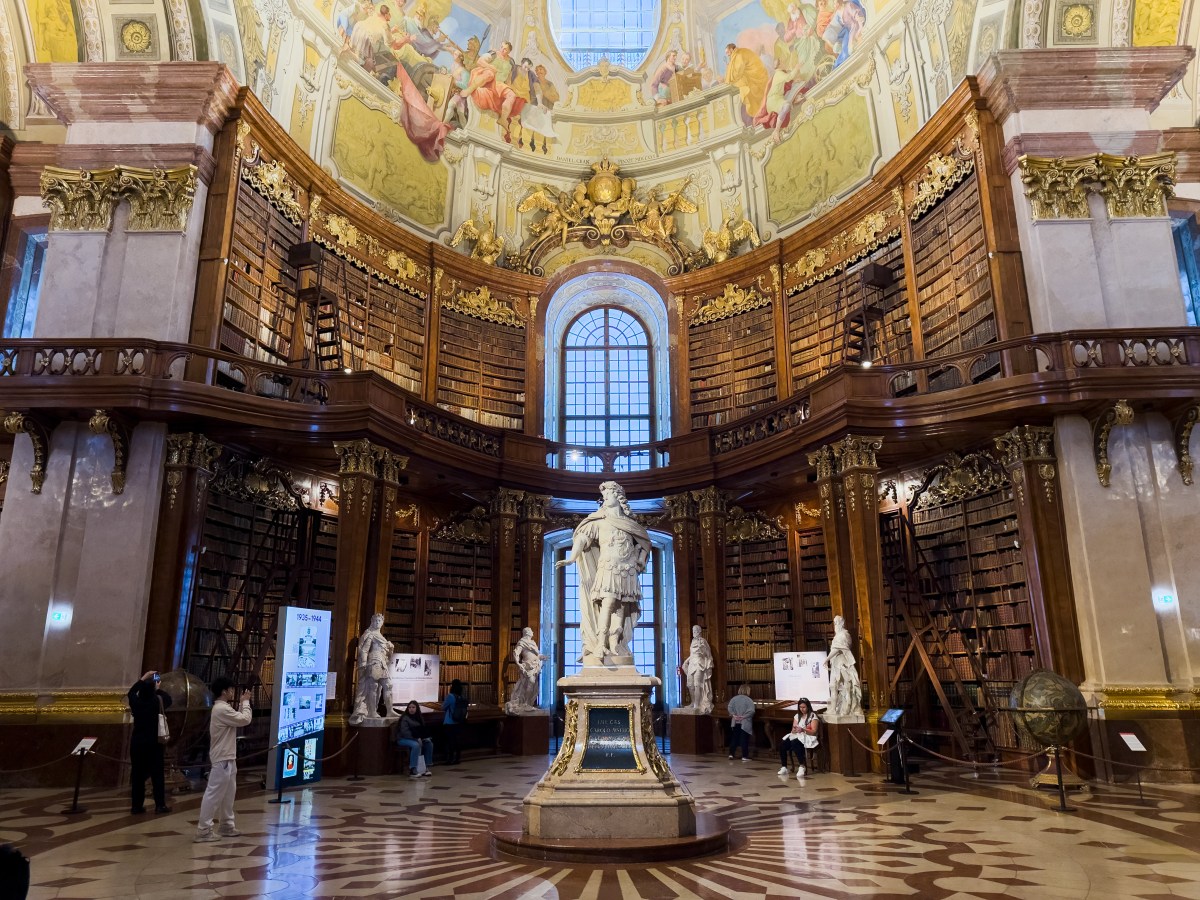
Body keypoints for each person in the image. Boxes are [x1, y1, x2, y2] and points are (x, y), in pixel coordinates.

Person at [554, 481, 652, 664]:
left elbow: (645, 543)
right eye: (604, 495)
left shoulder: (630, 523)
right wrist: (572, 557)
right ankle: (600, 643)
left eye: (608, 494)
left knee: (621, 607)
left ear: (618, 496)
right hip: (608, 566)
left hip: (627, 569)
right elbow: (583, 538)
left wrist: (641, 558)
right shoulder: (599, 520)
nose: (605, 497)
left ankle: (615, 643)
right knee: (607, 603)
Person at [194, 677, 252, 842]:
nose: (233, 692)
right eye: (231, 689)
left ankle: (226, 825)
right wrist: (246, 703)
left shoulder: (224, 708)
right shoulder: (221, 709)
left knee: (228, 794)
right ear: (224, 691)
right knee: (213, 793)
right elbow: (244, 719)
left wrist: (242, 704)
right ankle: (203, 829)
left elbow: (238, 718)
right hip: (223, 757)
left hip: (228, 757)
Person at [127, 669, 172, 815]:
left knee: (137, 775)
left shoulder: (136, 702)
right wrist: (158, 690)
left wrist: (143, 678)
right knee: (157, 774)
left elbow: (131, 693)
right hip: (154, 743)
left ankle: (136, 806)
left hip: (138, 742)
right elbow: (169, 700)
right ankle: (160, 805)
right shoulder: (157, 701)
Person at [349, 613, 393, 725]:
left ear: (382, 623)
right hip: (373, 662)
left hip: (382, 663)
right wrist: (363, 663)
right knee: (373, 686)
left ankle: (390, 711)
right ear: (372, 622)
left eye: (379, 621)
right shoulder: (370, 635)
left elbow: (388, 655)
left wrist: (390, 648)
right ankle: (372, 711)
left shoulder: (382, 638)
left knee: (388, 685)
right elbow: (364, 650)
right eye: (375, 621)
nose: (377, 622)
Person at [827, 615, 864, 718]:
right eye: (834, 623)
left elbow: (837, 650)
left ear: (841, 623)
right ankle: (833, 709)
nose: (835, 625)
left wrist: (826, 660)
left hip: (843, 664)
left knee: (847, 687)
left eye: (836, 622)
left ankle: (846, 710)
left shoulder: (844, 635)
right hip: (835, 664)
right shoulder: (838, 635)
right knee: (833, 686)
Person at [505, 627, 548, 714]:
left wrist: (541, 657)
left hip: (534, 666)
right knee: (529, 684)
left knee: (532, 685)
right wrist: (518, 663)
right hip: (527, 666)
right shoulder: (522, 642)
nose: (532, 632)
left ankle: (527, 703)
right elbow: (516, 653)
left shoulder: (533, 642)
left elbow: (535, 655)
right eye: (531, 631)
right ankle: (526, 703)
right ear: (527, 632)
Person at [778, 697, 820, 779]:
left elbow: (814, 731)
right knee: (783, 744)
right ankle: (784, 767)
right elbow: (793, 730)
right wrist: (795, 730)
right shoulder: (797, 716)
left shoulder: (812, 716)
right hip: (798, 734)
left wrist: (803, 729)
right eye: (800, 707)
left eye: (804, 707)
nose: (802, 709)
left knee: (795, 743)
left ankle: (802, 766)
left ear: (808, 707)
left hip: (808, 736)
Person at [679, 625, 714, 715]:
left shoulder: (703, 641)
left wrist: (701, 647)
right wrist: (685, 661)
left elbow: (707, 654)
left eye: (695, 630)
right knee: (690, 685)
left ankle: (697, 704)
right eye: (693, 630)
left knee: (697, 684)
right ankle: (693, 702)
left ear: (699, 631)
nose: (694, 632)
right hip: (692, 664)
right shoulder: (692, 641)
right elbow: (692, 654)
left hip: (700, 664)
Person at [396, 700, 434, 777]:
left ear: (417, 708)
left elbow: (422, 730)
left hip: (416, 738)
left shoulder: (419, 717)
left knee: (429, 743)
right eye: (409, 707)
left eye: (413, 707)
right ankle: (413, 769)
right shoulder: (405, 718)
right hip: (403, 739)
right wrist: (416, 738)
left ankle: (425, 767)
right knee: (416, 745)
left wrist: (425, 737)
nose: (411, 709)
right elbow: (405, 732)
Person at [727, 684, 755, 760]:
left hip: (735, 721)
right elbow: (751, 711)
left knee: (734, 738)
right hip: (745, 722)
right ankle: (744, 756)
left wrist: (734, 715)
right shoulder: (749, 700)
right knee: (744, 739)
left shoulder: (734, 699)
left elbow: (729, 707)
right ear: (748, 691)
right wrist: (743, 717)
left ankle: (731, 754)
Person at [441, 679, 465, 764]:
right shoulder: (461, 697)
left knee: (449, 741)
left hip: (449, 721)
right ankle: (457, 758)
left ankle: (450, 759)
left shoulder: (450, 696)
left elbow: (443, 707)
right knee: (457, 741)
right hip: (459, 722)